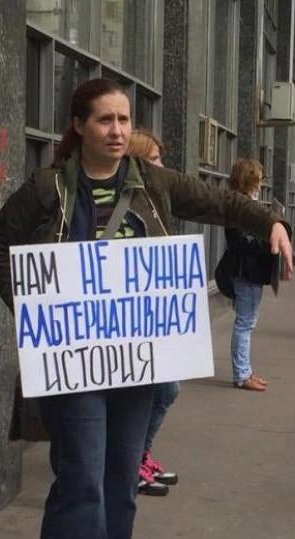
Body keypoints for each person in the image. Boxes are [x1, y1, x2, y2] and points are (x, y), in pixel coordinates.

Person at [0, 78, 294, 539]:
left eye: (125, 120)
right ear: (79, 126)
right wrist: (31, 308)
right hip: (76, 362)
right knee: (82, 484)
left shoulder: (151, 183)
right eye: (105, 121)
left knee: (121, 480)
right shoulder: (48, 188)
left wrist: (269, 222)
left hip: (137, 359)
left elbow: (220, 203)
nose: (119, 131)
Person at [127, 128, 178, 497]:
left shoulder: (155, 200)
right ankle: (131, 462)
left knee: (164, 390)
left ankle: (138, 456)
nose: (163, 166)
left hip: (150, 317)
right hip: (127, 322)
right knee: (160, 390)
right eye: (155, 159)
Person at [222, 159, 283, 391]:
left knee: (247, 322)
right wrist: (268, 242)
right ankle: (241, 374)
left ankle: (245, 370)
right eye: (258, 180)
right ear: (248, 181)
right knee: (245, 323)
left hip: (249, 271)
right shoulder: (239, 207)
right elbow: (240, 242)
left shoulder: (244, 204)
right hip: (245, 272)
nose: (260, 184)